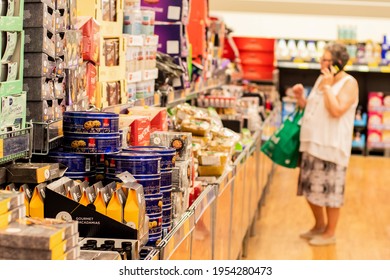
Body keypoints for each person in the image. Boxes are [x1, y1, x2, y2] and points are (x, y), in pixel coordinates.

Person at [292, 42, 359, 246]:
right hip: (311, 144)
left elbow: (336, 110)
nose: (321, 62)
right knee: (310, 189)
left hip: (331, 147)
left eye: (326, 59)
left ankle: (330, 232)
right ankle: (319, 225)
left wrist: (329, 87)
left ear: (337, 63)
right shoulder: (322, 78)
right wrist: (300, 98)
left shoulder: (349, 83)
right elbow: (313, 108)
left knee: (330, 192)